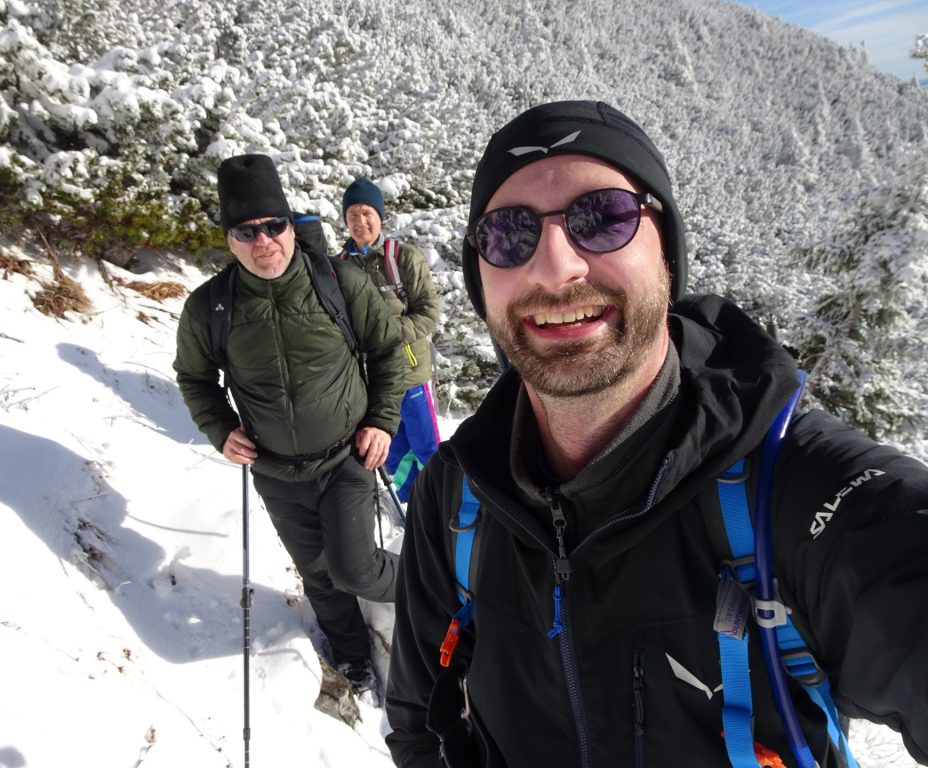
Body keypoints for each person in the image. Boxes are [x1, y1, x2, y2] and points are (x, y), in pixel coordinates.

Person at [385, 101, 928, 766]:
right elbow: (420, 724)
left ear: (666, 251)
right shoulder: (457, 495)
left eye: (603, 218)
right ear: (482, 277)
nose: (557, 269)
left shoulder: (787, 492)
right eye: (507, 234)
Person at [174, 154, 406, 701]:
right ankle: (352, 656)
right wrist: (219, 428)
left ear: (289, 225)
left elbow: (389, 351)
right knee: (318, 574)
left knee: (355, 568)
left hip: (347, 455)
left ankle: (430, 581)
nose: (264, 241)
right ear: (229, 239)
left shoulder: (339, 282)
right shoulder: (211, 308)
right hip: (276, 471)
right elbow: (194, 378)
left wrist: (381, 421)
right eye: (246, 231)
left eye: (273, 225)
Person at [339, 177, 441, 503]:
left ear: (380, 217)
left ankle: (443, 506)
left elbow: (428, 314)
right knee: (393, 451)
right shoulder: (337, 268)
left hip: (411, 375)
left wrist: (386, 335)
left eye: (366, 213)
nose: (360, 222)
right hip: (371, 382)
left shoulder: (403, 259)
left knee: (427, 447)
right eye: (352, 215)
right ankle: (411, 507)